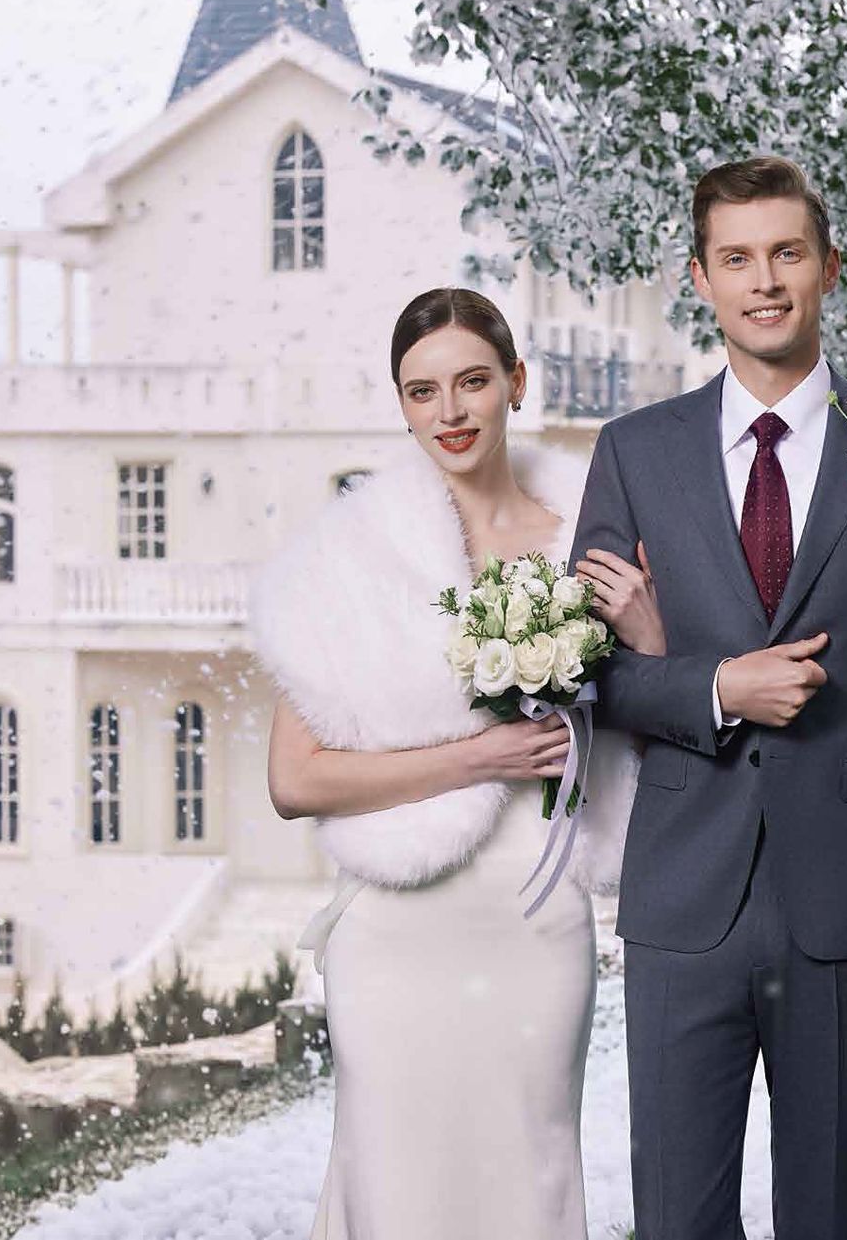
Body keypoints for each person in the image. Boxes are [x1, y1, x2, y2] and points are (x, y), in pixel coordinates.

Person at [568, 156, 847, 1240]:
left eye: (787, 253)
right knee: (677, 1218)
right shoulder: (635, 454)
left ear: (827, 268)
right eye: (737, 258)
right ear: (699, 278)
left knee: (831, 1218)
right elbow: (581, 676)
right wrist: (716, 685)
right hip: (683, 898)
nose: (764, 280)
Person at [248, 287, 661, 1239]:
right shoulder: (350, 555)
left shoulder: (589, 540)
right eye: (422, 390)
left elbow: (656, 707)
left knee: (528, 1158)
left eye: (473, 382)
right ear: (399, 404)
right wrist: (479, 757)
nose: (451, 412)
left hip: (537, 907)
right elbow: (296, 780)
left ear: (517, 382)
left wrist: (648, 629)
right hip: (397, 927)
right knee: (395, 1175)